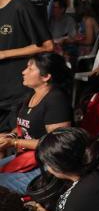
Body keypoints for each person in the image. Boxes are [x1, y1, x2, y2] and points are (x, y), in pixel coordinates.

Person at [0, 54, 73, 193]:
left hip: (48, 167)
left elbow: (56, 143)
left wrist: (14, 143)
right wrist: (9, 136)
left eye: (30, 68)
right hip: (29, 157)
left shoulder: (56, 100)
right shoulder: (32, 95)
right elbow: (23, 127)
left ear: (46, 77)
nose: (23, 72)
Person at [0, 0, 54, 132]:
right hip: (2, 91)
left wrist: (5, 54)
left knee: (14, 139)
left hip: (17, 92)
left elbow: (47, 45)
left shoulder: (20, 6)